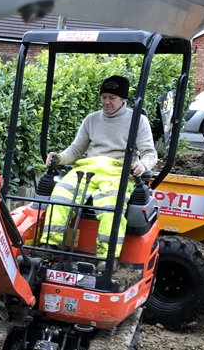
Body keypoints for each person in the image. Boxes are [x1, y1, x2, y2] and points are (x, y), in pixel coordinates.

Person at [43, 76, 157, 257]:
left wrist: (142, 165)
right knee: (60, 195)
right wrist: (59, 158)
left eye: (112, 98)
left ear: (123, 100)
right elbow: (75, 151)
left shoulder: (138, 121)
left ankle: (106, 257)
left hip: (117, 172)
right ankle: (50, 247)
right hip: (87, 169)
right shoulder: (92, 119)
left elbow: (150, 154)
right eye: (104, 97)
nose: (106, 102)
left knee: (112, 206)